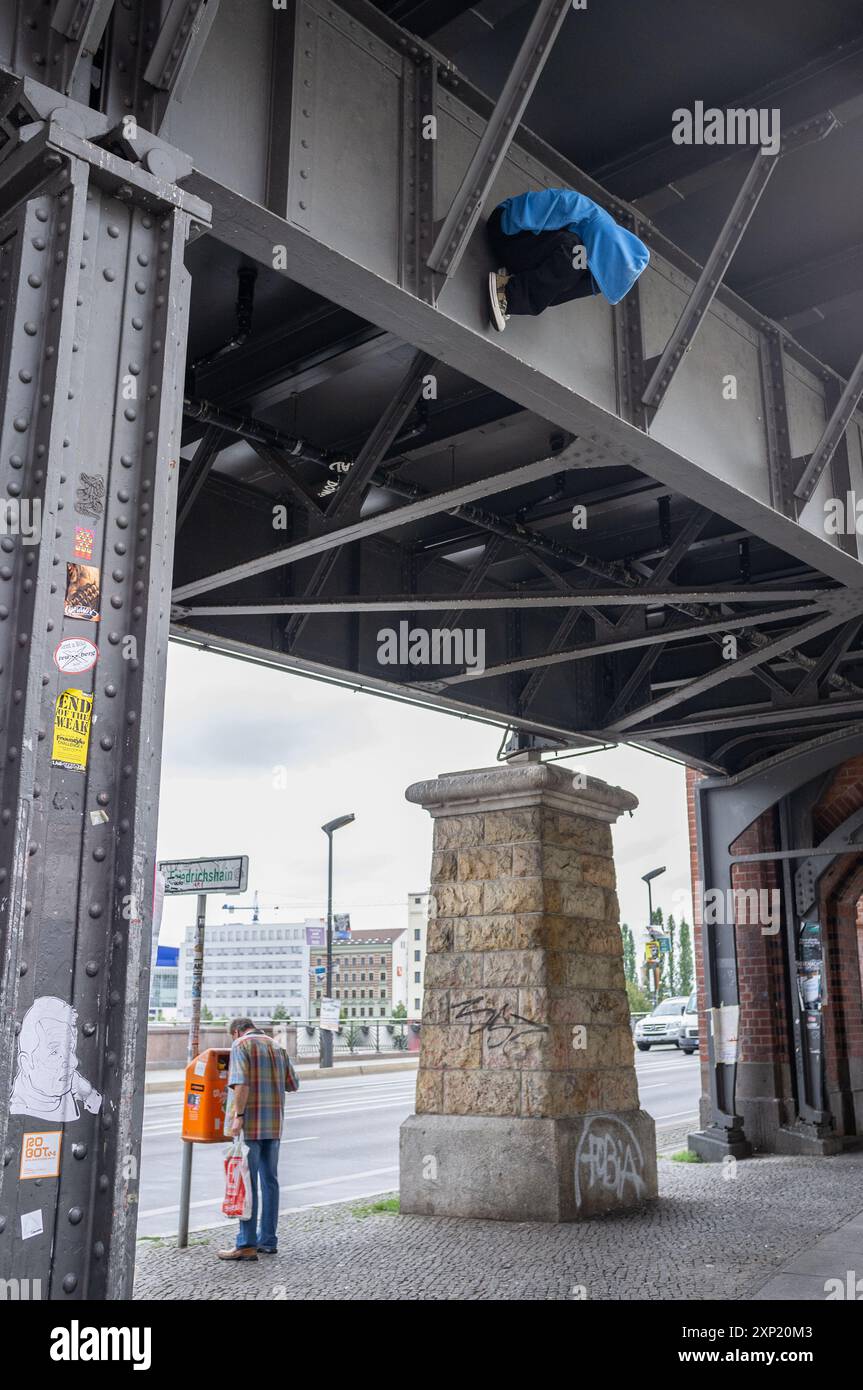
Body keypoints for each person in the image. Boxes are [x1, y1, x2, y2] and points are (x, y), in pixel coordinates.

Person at [487, 188, 649, 332]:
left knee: (586, 272)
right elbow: (525, 213)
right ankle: (506, 293)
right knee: (577, 252)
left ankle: (513, 283)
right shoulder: (582, 210)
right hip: (505, 230)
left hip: (521, 255)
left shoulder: (591, 263)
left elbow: (556, 293)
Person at [217, 1017, 288, 1262]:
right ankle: (268, 1240)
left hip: (251, 1126)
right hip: (275, 1124)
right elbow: (293, 1084)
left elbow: (241, 1084)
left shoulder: (241, 1046)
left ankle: (246, 1244)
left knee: (246, 1184)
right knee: (270, 1182)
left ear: (236, 1031)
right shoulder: (277, 1046)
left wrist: (238, 1116)